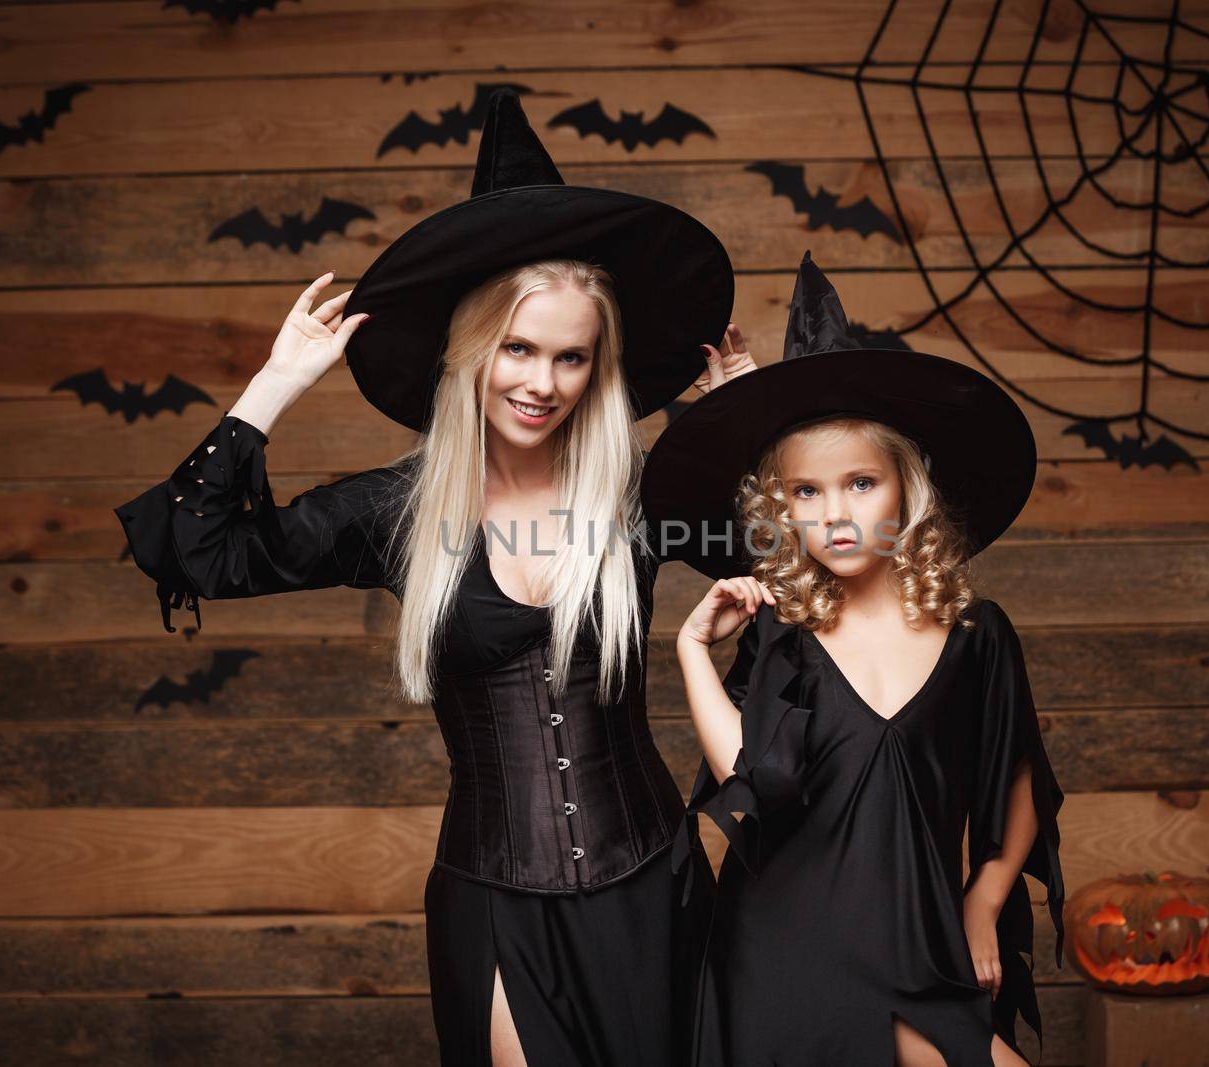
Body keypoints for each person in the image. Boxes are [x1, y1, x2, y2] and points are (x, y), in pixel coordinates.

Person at [116, 89, 753, 1067]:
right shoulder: (396, 510)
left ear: (598, 365)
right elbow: (197, 552)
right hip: (495, 899)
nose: (540, 380)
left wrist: (748, 421)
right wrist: (276, 383)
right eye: (517, 347)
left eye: (569, 356)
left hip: (652, 885)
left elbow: (787, 572)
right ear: (470, 348)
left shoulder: (640, 492)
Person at [647, 252, 1066, 1066]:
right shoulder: (783, 637)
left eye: (861, 483)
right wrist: (692, 650)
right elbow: (748, 775)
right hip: (782, 948)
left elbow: (1019, 781)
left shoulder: (978, 635)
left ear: (905, 489)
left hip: (920, 942)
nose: (836, 514)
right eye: (807, 493)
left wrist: (984, 897)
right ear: (784, 508)